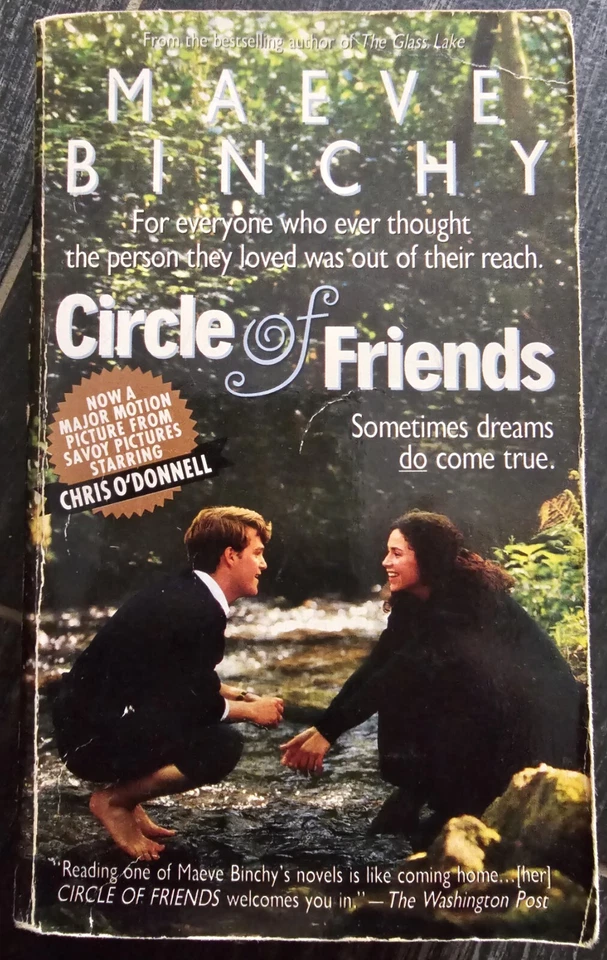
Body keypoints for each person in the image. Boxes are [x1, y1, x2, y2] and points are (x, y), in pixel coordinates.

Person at [280, 511, 586, 839]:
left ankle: (450, 798)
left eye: (397, 553)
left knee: (412, 686)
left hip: (540, 728)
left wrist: (329, 733)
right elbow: (377, 665)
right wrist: (323, 726)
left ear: (427, 558)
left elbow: (400, 673)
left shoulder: (467, 600)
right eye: (387, 552)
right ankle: (423, 789)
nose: (385, 561)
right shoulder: (414, 600)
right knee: (411, 690)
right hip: (490, 718)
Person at [53, 506, 284, 860]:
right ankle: (116, 801)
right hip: (90, 742)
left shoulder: (184, 590)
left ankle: (128, 799)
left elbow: (182, 676)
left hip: (81, 728)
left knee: (182, 716)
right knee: (221, 746)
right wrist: (252, 713)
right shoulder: (200, 610)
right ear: (230, 556)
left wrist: (242, 695)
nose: (263, 564)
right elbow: (195, 704)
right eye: (257, 553)